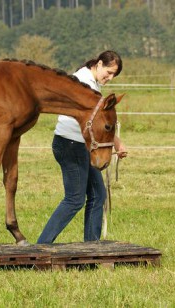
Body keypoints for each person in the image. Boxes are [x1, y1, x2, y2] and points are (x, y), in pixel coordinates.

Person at [37, 50, 127, 244]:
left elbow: (99, 121)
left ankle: (91, 246)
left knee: (97, 194)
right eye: (109, 72)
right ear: (99, 64)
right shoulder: (82, 82)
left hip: (80, 145)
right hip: (70, 144)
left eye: (114, 75)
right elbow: (91, 120)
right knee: (74, 199)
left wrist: (116, 143)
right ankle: (41, 246)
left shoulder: (93, 83)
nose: (110, 78)